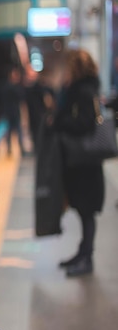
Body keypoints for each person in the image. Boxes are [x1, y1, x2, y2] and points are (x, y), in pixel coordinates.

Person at [50, 48, 105, 277]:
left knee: (86, 212)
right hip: (82, 164)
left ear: (76, 68)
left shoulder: (82, 91)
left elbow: (85, 124)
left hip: (85, 165)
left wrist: (59, 123)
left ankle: (87, 259)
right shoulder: (82, 89)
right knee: (84, 212)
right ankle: (82, 254)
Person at [0, 66, 27, 156]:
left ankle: (21, 149)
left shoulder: (16, 87)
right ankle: (9, 149)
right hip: (9, 113)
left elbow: (21, 97)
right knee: (9, 132)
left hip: (15, 113)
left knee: (18, 132)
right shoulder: (7, 86)